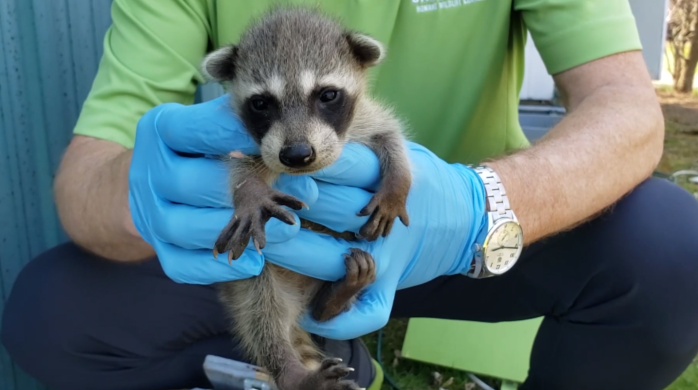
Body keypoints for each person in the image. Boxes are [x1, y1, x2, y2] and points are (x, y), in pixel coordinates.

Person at [2, 1, 698, 390]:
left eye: (327, 100)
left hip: (458, 245)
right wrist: (148, 195)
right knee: (52, 312)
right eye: (265, 110)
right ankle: (301, 369)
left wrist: (483, 205)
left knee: (672, 249)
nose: (298, 141)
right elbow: (83, 180)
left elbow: (630, 113)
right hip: (279, 251)